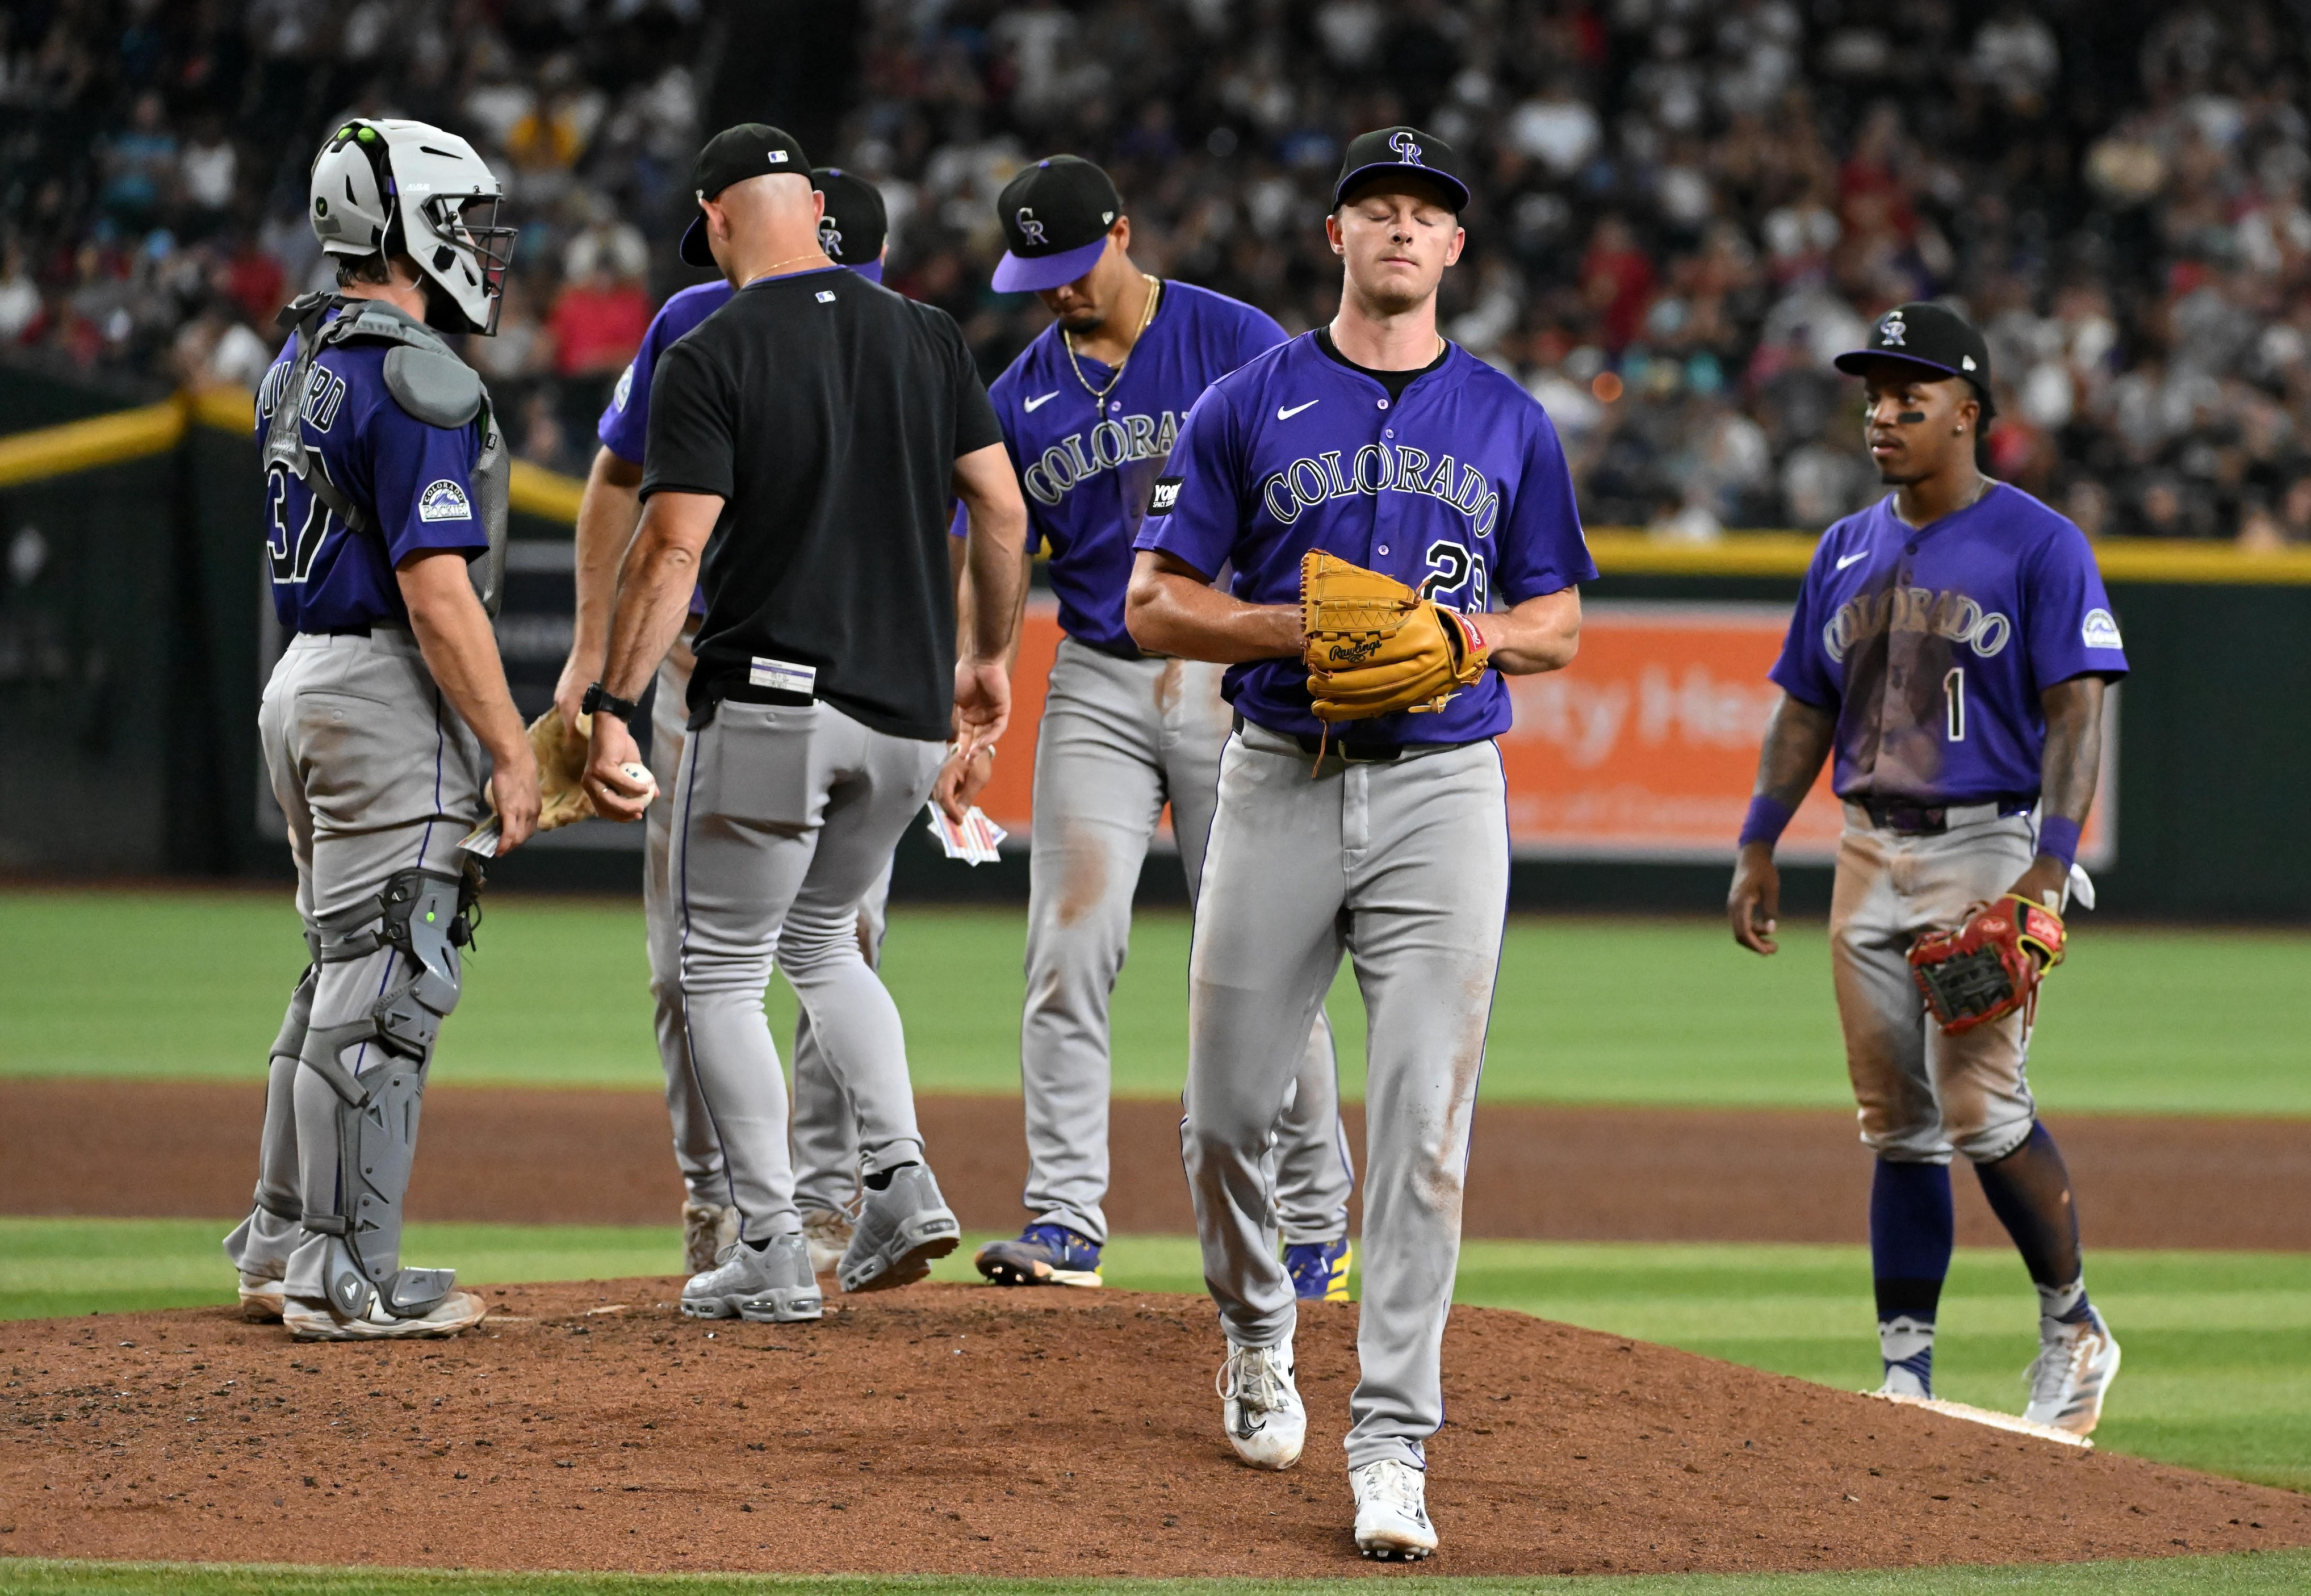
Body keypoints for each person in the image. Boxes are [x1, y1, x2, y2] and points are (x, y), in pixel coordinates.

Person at [1128, 126, 1592, 1561]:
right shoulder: (1244, 401)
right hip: (1275, 774)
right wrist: (1299, 624)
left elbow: (1559, 621)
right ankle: (1258, 1328)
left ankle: (1392, 1441)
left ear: (1455, 250)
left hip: (1446, 793)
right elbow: (1152, 603)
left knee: (1424, 1132)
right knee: (1220, 1115)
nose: (1401, 230)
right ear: (1336, 235)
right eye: (1376, 208)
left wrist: (1469, 635)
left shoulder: (1510, 418)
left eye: (1426, 215)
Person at [577, 124, 1029, 1322]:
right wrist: (985, 656)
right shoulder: (928, 335)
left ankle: (770, 1243)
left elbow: (672, 543)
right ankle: (900, 1173)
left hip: (772, 705)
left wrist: (615, 703)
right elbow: (1000, 507)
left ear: (721, 219)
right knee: (825, 941)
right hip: (901, 719)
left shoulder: (712, 346)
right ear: (820, 213)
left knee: (718, 971)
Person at [1726, 303, 2130, 1436]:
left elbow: (2075, 711)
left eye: (1911, 396)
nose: (1884, 415)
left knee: (1979, 1098)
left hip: (1987, 841)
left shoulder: (2040, 541)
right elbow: (1804, 707)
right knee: (1892, 1116)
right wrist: (1759, 838)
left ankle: (2072, 1323)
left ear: (1969, 412)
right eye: (1874, 396)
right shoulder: (1842, 546)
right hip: (1867, 846)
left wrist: (2048, 864)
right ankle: (1906, 1370)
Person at [961, 155, 1355, 1298]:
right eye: (1037, 273)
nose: (1057, 290)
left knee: (1266, 958)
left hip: (1225, 672)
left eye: (1074, 265)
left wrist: (1281, 634)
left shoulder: (1231, 339)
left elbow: (1312, 477)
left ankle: (1316, 1223)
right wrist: (978, 663)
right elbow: (991, 540)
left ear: (1124, 233)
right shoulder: (1022, 393)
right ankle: (1065, 1217)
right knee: (1068, 945)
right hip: (1095, 671)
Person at [555, 169, 897, 1281]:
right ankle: (716, 1200)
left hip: (854, 676)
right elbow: (616, 481)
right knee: (682, 965)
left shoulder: (898, 340)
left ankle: (832, 1196)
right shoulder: (693, 324)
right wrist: (594, 650)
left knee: (836, 946)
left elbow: (960, 517)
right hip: (703, 670)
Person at [221, 117, 531, 1341]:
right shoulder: (421, 376)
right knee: (390, 978)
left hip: (301, 678)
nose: (479, 250)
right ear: (397, 228)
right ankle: (344, 1273)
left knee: (333, 972)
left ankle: (283, 1238)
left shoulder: (296, 359)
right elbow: (437, 590)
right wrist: (510, 745)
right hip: (380, 690)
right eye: (458, 223)